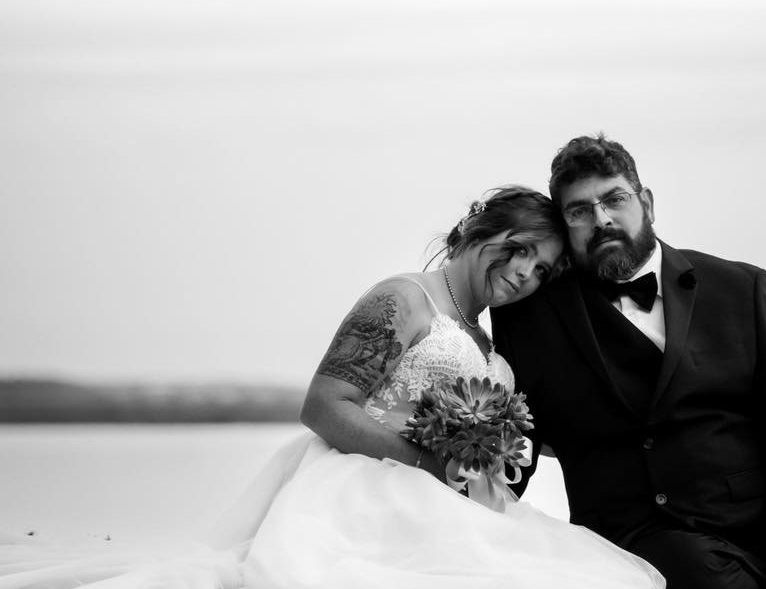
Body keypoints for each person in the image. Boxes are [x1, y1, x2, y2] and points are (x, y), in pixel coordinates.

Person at [1, 185, 664, 589]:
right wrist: (426, 463)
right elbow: (322, 404)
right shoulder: (403, 299)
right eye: (518, 249)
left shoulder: (489, 343)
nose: (525, 272)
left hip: (452, 502)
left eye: (542, 268)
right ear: (476, 231)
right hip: (362, 490)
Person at [491, 134, 766, 589]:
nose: (600, 219)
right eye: (579, 211)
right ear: (566, 226)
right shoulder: (530, 318)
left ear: (646, 202)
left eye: (614, 199)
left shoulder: (739, 288)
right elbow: (514, 448)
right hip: (646, 546)